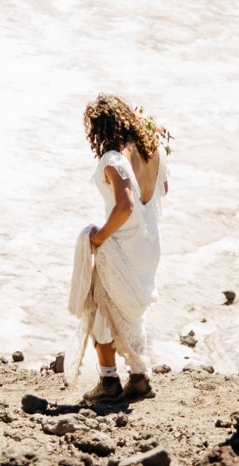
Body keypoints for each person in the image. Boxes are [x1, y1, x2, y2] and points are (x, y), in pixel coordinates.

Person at [68, 93, 170, 404]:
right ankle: (138, 377)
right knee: (130, 309)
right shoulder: (153, 151)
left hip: (123, 243)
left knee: (103, 305)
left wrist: (99, 237)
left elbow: (124, 205)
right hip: (149, 243)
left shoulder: (113, 160)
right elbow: (162, 189)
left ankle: (109, 381)